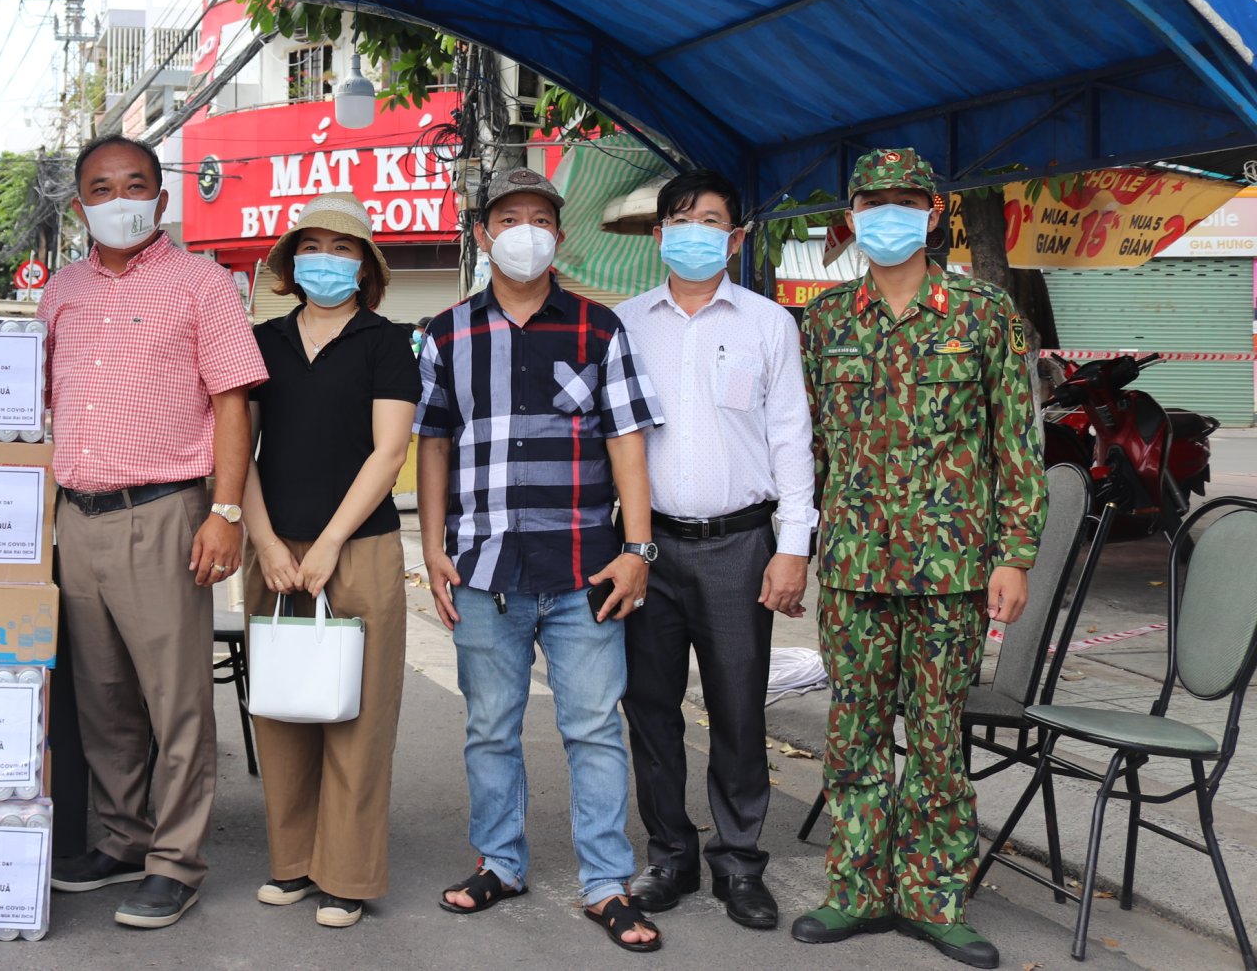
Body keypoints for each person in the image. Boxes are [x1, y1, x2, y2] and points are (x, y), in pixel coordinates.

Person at [791, 148, 1043, 970]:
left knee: (938, 739)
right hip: (857, 567)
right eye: (874, 201)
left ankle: (935, 898)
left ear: (936, 212)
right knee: (855, 731)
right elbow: (811, 452)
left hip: (952, 572)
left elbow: (1018, 446)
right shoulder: (826, 321)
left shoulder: (985, 314)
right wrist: (800, 546)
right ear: (851, 214)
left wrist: (1015, 555)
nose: (889, 214)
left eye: (907, 200)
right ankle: (858, 890)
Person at [416, 165, 664, 954]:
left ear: (559, 234)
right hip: (484, 570)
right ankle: (499, 860)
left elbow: (628, 440)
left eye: (539, 217)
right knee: (490, 727)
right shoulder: (447, 331)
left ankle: (606, 882)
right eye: (507, 217)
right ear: (483, 233)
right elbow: (432, 445)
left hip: (584, 568)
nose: (523, 230)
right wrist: (431, 546)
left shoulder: (599, 328)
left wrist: (637, 547)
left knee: (593, 728)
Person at [40, 134, 268, 930]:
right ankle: (122, 838)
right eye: (101, 188)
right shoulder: (61, 290)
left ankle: (177, 861)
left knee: (175, 701)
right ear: (80, 206)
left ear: (162, 199)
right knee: (103, 698)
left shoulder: (202, 285)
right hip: (78, 517)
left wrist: (226, 510)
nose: (119, 200)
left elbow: (234, 403)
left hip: (167, 512)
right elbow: (28, 396)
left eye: (135, 184)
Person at [617, 169, 817, 931]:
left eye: (710, 219)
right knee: (652, 709)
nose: (694, 230)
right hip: (648, 547)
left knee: (739, 708)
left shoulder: (769, 324)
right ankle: (670, 854)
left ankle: (739, 862)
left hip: (741, 544)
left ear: (734, 237)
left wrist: (791, 546)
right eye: (680, 217)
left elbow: (792, 439)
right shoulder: (626, 324)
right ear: (660, 235)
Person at [240, 194, 416, 930]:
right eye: (311, 246)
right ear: (290, 263)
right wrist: (270, 543)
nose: (326, 259)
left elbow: (390, 450)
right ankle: (292, 862)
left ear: (365, 266)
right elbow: (235, 453)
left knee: (357, 714)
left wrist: (332, 541)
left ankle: (345, 873)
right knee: (282, 710)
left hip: (361, 547)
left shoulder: (385, 340)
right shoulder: (259, 341)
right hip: (274, 552)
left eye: (343, 248)